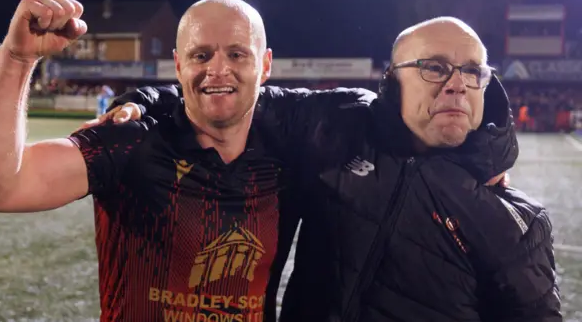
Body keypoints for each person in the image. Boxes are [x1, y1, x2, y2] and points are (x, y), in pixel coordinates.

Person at [102, 18, 560, 321]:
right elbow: (232, 94)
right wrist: (145, 101)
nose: (457, 84)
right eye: (434, 68)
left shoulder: (517, 223)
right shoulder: (336, 123)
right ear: (391, 80)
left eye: (473, 72)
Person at [0, 0, 295, 322]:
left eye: (237, 54)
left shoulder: (292, 153)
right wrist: (17, 59)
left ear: (265, 64)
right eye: (201, 56)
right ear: (178, 66)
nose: (218, 69)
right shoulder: (130, 143)